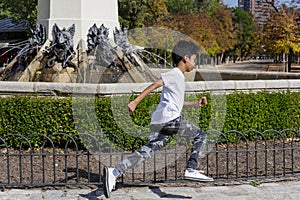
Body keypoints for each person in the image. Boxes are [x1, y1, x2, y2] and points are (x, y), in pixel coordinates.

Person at [103, 40, 213, 198]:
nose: (195, 64)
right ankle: (191, 169)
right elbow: (155, 85)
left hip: (163, 121)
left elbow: (178, 104)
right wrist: (135, 102)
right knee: (200, 134)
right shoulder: (175, 74)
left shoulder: (179, 77)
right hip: (170, 120)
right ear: (185, 58)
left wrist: (196, 103)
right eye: (194, 60)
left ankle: (114, 172)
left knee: (146, 152)